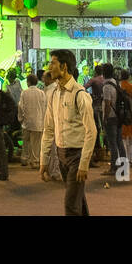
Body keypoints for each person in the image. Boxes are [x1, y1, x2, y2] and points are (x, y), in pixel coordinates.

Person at [40, 49, 97, 216]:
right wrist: (44, 160)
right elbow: (49, 129)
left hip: (77, 156)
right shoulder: (54, 94)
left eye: (53, 63)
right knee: (77, 200)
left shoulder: (80, 94)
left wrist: (84, 163)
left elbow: (91, 132)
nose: (49, 67)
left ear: (64, 67)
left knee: (71, 205)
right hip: (61, 154)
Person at [98, 63, 126, 176]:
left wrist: (105, 118)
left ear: (104, 73)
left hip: (111, 117)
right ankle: (124, 168)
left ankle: (114, 168)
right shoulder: (115, 82)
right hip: (118, 116)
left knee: (112, 143)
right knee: (119, 142)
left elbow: (108, 104)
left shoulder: (106, 86)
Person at [18, 71, 47, 168]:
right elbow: (44, 107)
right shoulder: (42, 93)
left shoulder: (24, 93)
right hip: (38, 122)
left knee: (26, 141)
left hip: (26, 122)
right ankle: (35, 161)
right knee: (36, 143)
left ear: (28, 82)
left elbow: (20, 106)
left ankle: (25, 159)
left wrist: (21, 118)